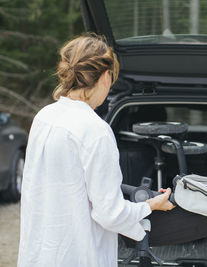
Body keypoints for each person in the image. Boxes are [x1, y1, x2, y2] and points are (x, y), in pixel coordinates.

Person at [17, 33, 174, 267]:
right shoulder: (95, 130)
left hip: (40, 254)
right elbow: (109, 214)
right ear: (105, 76)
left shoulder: (44, 117)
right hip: (77, 256)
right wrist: (151, 205)